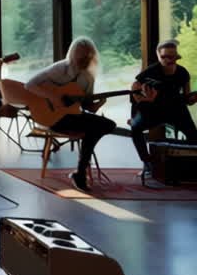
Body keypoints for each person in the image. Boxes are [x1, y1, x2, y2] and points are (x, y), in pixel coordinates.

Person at [26, 37, 116, 192]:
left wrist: (99, 104)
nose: (83, 58)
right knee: (94, 129)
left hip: (72, 116)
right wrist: (53, 96)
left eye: (87, 55)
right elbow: (30, 85)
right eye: (79, 54)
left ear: (92, 55)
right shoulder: (60, 69)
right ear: (72, 54)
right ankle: (81, 172)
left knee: (107, 125)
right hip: (52, 117)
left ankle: (80, 172)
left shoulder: (88, 77)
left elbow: (88, 107)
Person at [129, 40, 197, 174]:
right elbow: (135, 86)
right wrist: (142, 101)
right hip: (153, 110)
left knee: (194, 137)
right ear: (159, 56)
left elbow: (188, 99)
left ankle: (189, 167)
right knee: (135, 128)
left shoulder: (183, 73)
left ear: (177, 56)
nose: (168, 59)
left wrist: (192, 99)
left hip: (176, 110)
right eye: (164, 56)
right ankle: (147, 162)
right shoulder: (151, 71)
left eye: (171, 56)